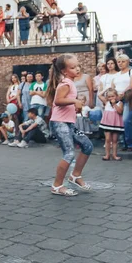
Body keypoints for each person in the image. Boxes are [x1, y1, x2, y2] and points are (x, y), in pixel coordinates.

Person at [46, 54, 93, 196]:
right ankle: (57, 186)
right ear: (65, 71)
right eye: (73, 67)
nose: (77, 69)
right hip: (59, 123)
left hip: (68, 123)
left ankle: (75, 176)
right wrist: (74, 102)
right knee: (69, 153)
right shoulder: (65, 83)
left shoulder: (70, 83)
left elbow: (66, 102)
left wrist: (76, 106)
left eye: (78, 66)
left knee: (87, 146)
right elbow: (58, 100)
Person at [113, 54, 132, 151]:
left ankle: (131, 144)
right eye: (119, 62)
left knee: (126, 119)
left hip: (129, 97)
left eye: (123, 61)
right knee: (119, 121)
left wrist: (123, 93)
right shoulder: (116, 74)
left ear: (128, 61)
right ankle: (124, 142)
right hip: (118, 99)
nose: (120, 63)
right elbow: (113, 87)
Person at [98, 88, 124, 161]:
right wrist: (106, 89)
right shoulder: (106, 102)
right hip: (107, 123)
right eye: (109, 96)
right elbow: (99, 95)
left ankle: (114, 155)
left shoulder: (120, 103)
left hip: (116, 123)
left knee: (115, 140)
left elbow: (120, 112)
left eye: (113, 96)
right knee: (107, 139)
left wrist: (114, 104)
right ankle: (107, 155)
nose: (111, 98)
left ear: (116, 96)